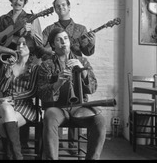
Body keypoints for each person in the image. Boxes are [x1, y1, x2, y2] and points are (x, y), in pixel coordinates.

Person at [37, 27, 106, 160]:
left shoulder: (83, 61)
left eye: (66, 38)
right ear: (52, 45)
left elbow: (93, 88)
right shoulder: (46, 65)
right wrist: (57, 83)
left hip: (79, 108)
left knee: (100, 120)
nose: (64, 42)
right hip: (57, 108)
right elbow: (42, 94)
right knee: (49, 116)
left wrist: (83, 71)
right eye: (59, 40)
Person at [42, 0, 96, 153]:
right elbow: (42, 49)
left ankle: (73, 145)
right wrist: (53, 51)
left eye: (63, 5)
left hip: (76, 66)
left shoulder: (81, 28)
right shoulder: (49, 29)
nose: (61, 8)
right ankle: (56, 144)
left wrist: (91, 43)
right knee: (57, 103)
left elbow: (87, 52)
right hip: (56, 65)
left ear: (69, 6)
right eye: (57, 6)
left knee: (76, 98)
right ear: (55, 9)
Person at [0, 0, 43, 146]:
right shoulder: (2, 19)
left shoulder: (31, 18)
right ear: (11, 0)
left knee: (23, 96)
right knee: (5, 91)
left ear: (25, 2)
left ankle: (22, 141)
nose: (18, 2)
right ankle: (13, 143)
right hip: (5, 61)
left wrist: (32, 31)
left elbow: (41, 44)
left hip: (26, 60)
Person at [0, 35, 40, 160]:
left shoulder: (35, 68)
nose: (20, 46)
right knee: (7, 109)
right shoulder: (8, 64)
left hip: (25, 106)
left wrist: (12, 97)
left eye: (24, 44)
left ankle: (9, 156)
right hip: (4, 104)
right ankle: (18, 157)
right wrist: (8, 73)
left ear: (30, 48)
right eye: (18, 44)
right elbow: (2, 88)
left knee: (3, 123)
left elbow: (32, 92)